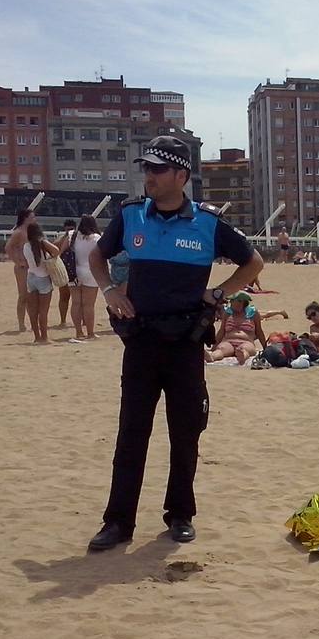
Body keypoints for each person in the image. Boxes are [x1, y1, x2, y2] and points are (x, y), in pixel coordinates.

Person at [85, 135, 262, 551]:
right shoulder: (130, 217)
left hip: (185, 343)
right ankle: (118, 523)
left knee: (185, 433)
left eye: (158, 169)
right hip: (142, 342)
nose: (149, 175)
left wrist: (218, 293)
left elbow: (253, 261)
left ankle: (179, 514)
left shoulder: (207, 222)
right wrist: (109, 291)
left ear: (181, 176)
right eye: (146, 168)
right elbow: (97, 256)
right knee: (132, 433)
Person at [22, 223, 60, 344]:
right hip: (43, 277)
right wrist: (43, 241)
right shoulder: (42, 244)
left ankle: (37, 337)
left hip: (31, 277)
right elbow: (56, 251)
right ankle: (44, 337)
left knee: (33, 310)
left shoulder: (26, 246)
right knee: (43, 311)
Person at [206, 291, 266, 363]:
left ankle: (243, 356)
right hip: (228, 341)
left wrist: (265, 347)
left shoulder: (253, 313)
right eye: (232, 301)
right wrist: (214, 346)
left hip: (246, 341)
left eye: (233, 301)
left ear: (243, 302)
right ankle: (212, 357)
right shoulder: (227, 313)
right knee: (221, 349)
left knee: (245, 349)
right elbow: (221, 331)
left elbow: (259, 331)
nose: (231, 303)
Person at [70, 214, 102, 340]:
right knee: (89, 305)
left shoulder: (72, 235)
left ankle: (78, 332)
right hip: (90, 271)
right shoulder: (96, 238)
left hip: (74, 271)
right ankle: (90, 332)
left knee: (76, 303)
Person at [4, 208, 35, 332]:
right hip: (22, 268)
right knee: (23, 295)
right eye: (32, 217)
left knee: (32, 296)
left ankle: (33, 323)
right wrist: (18, 262)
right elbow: (8, 247)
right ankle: (21, 324)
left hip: (32, 267)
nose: (34, 219)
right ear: (25, 218)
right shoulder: (19, 232)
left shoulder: (32, 231)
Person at [54, 218, 77, 328]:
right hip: (68, 269)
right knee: (66, 297)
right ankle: (63, 320)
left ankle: (64, 321)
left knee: (69, 298)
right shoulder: (63, 239)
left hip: (67, 269)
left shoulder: (65, 238)